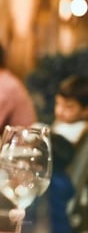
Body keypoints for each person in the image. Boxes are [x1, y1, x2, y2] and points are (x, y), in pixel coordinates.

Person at [46, 75, 88, 233]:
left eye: (68, 107)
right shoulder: (64, 123)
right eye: (58, 104)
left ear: (85, 110)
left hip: (61, 192)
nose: (60, 111)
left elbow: (63, 157)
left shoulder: (80, 130)